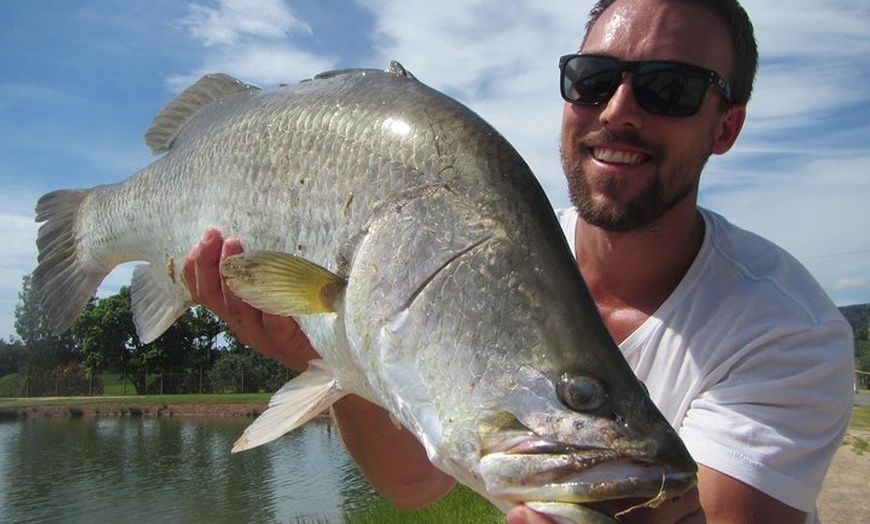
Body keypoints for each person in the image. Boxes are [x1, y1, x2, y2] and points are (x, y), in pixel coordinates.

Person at [183, 0, 855, 522]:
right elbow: (416, 485)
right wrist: (331, 356)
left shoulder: (787, 330)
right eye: (592, 81)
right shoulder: (483, 256)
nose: (618, 111)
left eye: (670, 88)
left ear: (725, 127)